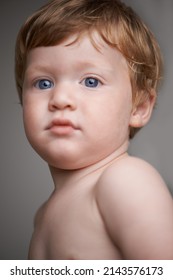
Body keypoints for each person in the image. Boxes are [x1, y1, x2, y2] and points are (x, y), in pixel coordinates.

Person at [15, 0, 173, 260]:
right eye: (43, 83)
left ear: (139, 108)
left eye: (91, 81)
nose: (60, 98)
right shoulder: (43, 215)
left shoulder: (126, 181)